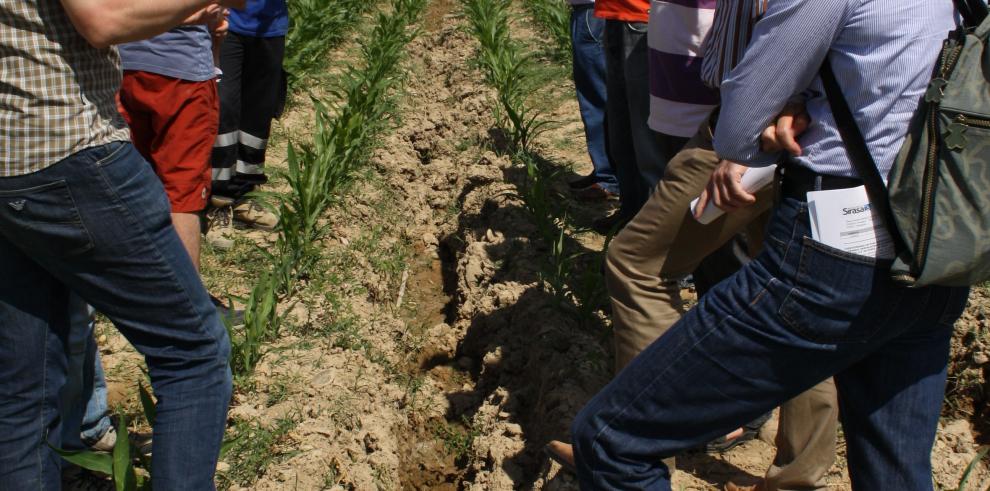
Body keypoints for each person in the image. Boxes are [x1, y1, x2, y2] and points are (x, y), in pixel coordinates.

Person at [569, 0, 966, 488]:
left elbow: (740, 128)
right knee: (895, 473)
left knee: (610, 440)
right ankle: (799, 470)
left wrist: (791, 99)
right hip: (935, 253)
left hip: (831, 253)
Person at [547, 2, 839, 488]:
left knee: (636, 263)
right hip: (782, 122)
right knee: (795, 296)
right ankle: (799, 474)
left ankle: (633, 445)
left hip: (752, 124)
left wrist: (743, 135)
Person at [0, 0, 237, 487]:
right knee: (193, 354)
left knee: (26, 388)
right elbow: (102, 19)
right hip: (67, 152)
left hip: (9, 164)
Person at [209, 0, 289, 232]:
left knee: (258, 112)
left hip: (271, 27)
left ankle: (245, 193)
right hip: (226, 23)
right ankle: (218, 202)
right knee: (224, 109)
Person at [592, 0, 672, 230]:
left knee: (646, 138)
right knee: (622, 132)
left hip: (643, 19)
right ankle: (631, 215)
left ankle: (654, 233)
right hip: (616, 16)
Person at [566, 0, 620, 201]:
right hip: (594, 11)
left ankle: (610, 177)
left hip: (592, 12)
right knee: (599, 94)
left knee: (596, 96)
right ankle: (606, 171)